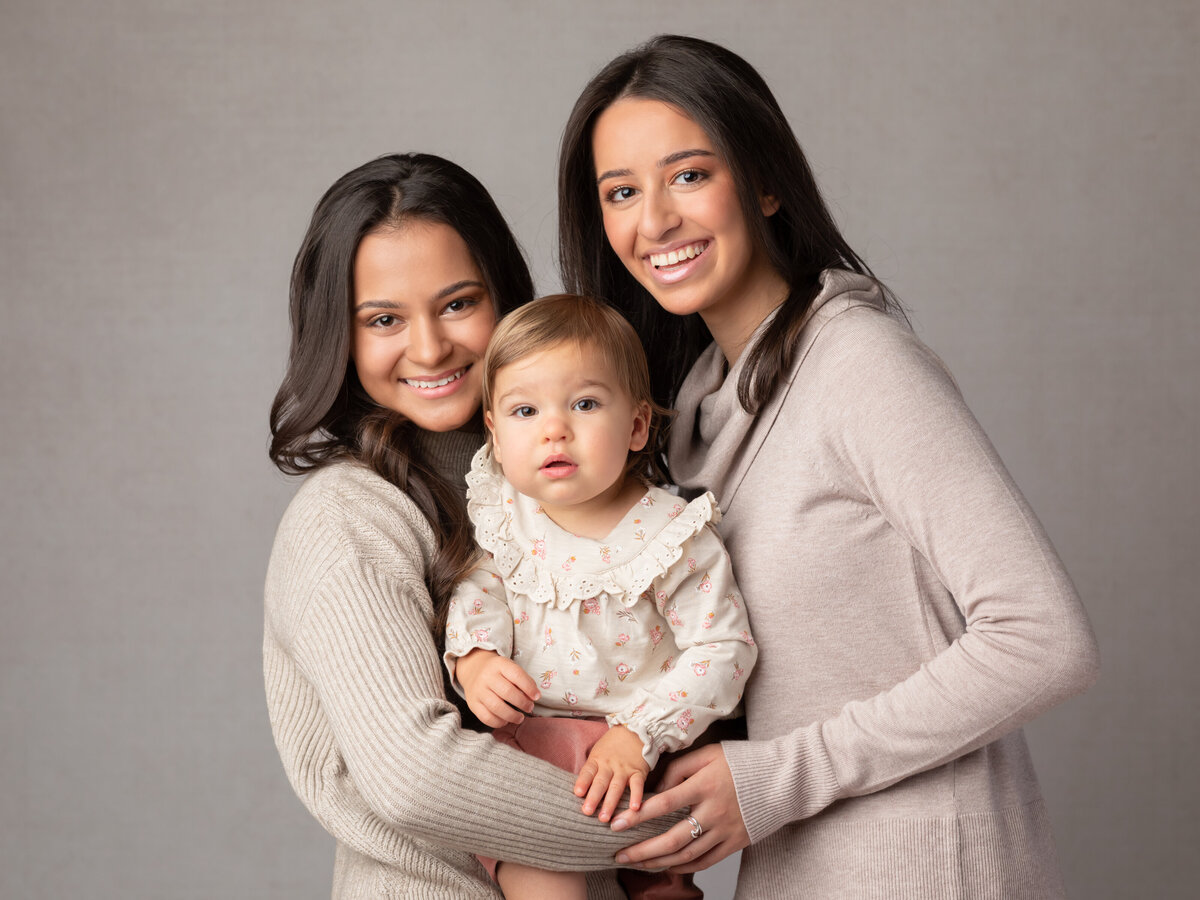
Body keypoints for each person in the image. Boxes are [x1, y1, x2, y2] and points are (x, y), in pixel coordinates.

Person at [557, 35, 1101, 899]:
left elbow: (1044, 639)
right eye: (621, 192)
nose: (652, 220)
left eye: (689, 175)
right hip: (797, 872)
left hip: (926, 868)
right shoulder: (690, 417)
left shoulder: (859, 366)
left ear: (766, 182)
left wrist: (780, 775)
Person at [264, 153, 669, 899]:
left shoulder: (573, 476)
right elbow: (416, 776)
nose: (429, 348)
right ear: (341, 337)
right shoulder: (348, 518)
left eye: (457, 304)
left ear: (505, 301)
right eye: (384, 320)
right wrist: (677, 824)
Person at [443, 293, 758, 899]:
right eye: (525, 410)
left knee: (661, 883)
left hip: (642, 758)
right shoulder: (507, 516)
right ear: (495, 432)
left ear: (637, 425)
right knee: (544, 883)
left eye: (584, 404)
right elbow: (478, 591)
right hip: (530, 757)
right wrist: (476, 660)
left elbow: (723, 647)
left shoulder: (670, 535)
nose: (554, 428)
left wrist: (639, 732)